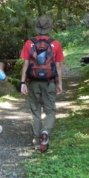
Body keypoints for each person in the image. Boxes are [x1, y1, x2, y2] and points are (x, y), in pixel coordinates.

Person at [20, 15, 64, 152]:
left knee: (35, 112)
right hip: (49, 81)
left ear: (37, 27)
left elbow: (26, 64)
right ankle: (45, 132)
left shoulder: (29, 43)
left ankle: (36, 141)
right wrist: (59, 83)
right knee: (50, 111)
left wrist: (22, 82)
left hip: (33, 82)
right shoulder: (55, 44)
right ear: (49, 28)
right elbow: (58, 67)